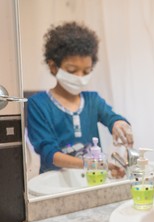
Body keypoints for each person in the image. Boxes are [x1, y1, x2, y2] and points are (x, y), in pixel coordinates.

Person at [27, 22, 133, 176]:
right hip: (54, 183)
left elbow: (112, 118)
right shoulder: (38, 104)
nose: (80, 77)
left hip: (92, 179)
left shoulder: (92, 100)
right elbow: (49, 153)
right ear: (53, 66)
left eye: (86, 71)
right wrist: (91, 163)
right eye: (72, 70)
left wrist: (119, 124)